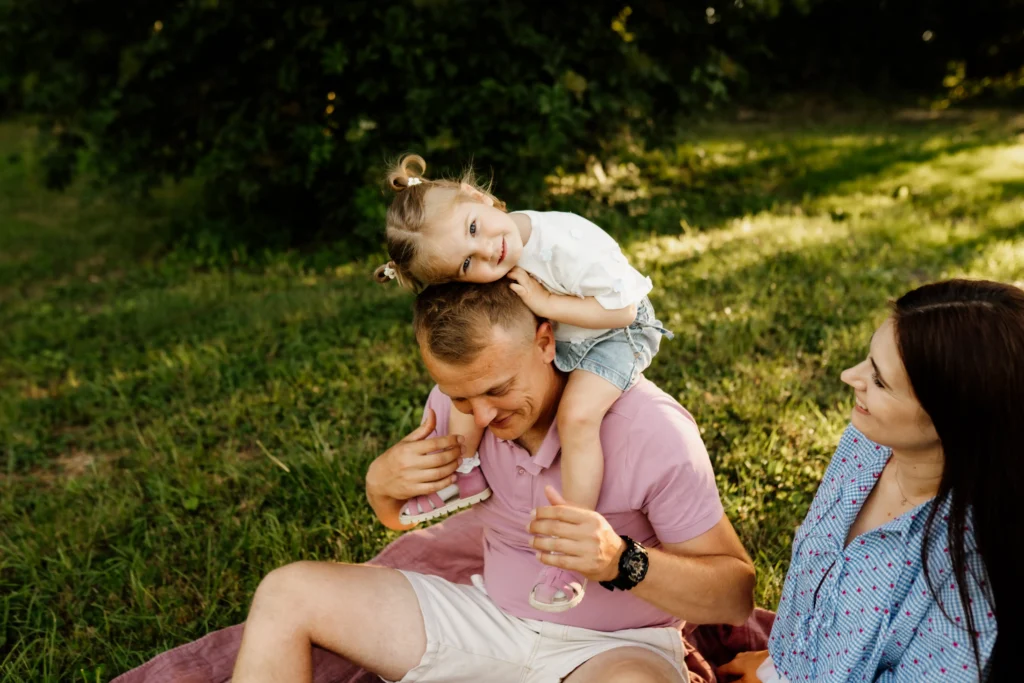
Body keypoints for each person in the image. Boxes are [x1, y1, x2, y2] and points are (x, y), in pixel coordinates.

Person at [232, 279, 755, 683]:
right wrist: (381, 486)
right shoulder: (457, 411)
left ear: (545, 342)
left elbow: (734, 597)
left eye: (497, 389)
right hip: (488, 621)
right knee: (288, 592)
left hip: (614, 648)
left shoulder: (650, 429)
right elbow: (401, 516)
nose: (479, 415)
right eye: (459, 396)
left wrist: (622, 560)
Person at [373, 154, 670, 611]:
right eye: (467, 264)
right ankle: (465, 474)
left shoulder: (566, 242)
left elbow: (625, 309)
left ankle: (575, 540)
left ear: (481, 197)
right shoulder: (488, 251)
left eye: (475, 229)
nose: (487, 250)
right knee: (470, 393)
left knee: (577, 418)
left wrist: (548, 302)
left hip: (614, 331)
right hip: (562, 327)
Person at [719, 279, 1019, 682]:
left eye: (879, 381)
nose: (849, 376)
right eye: (867, 360)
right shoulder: (867, 443)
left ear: (952, 420)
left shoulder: (969, 567)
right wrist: (779, 663)